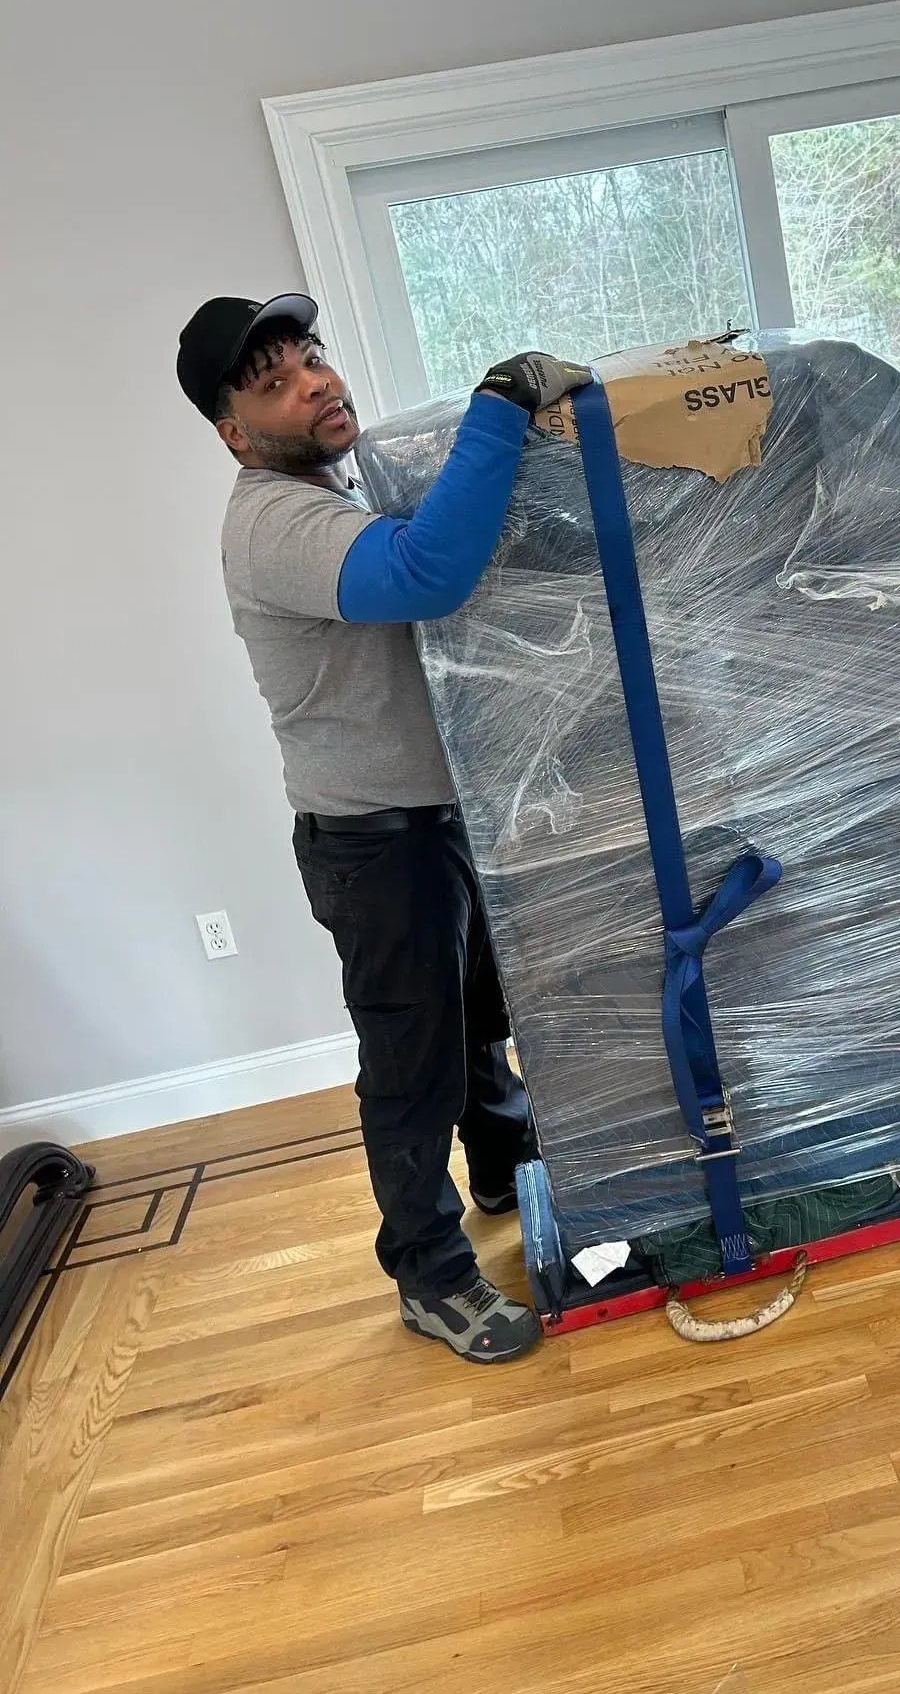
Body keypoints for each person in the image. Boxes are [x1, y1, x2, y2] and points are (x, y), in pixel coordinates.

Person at [176, 292, 590, 1364]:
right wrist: (500, 408)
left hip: (439, 813)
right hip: (373, 838)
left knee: (480, 1011)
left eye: (309, 355)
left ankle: (503, 1168)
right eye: (273, 380)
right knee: (410, 1063)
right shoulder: (274, 520)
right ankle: (428, 1270)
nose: (314, 380)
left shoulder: (339, 481)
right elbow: (424, 573)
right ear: (233, 430)